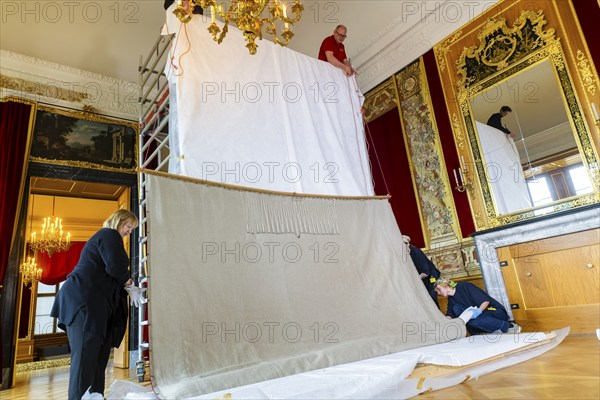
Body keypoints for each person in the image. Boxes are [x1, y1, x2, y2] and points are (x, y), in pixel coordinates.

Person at [51, 209, 138, 400]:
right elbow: (114, 266)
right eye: (128, 226)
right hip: (83, 303)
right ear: (118, 221)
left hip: (95, 307)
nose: (129, 232)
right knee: (84, 359)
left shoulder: (110, 239)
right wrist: (130, 284)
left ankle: (96, 395)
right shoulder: (109, 234)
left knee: (97, 358)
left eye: (132, 229)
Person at [434, 278, 521, 335]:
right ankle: (484, 331)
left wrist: (478, 311)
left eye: (439, 289)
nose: (438, 293)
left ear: (445, 286)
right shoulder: (451, 300)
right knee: (456, 309)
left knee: (471, 320)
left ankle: (509, 327)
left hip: (493, 312)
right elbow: (449, 316)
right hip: (479, 320)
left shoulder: (464, 286)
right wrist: (442, 322)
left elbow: (485, 301)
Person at [403, 235, 440, 308]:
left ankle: (438, 314)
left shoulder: (416, 252)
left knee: (431, 293)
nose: (404, 247)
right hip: (420, 278)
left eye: (405, 244)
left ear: (408, 244)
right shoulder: (403, 254)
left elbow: (426, 272)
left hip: (430, 276)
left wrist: (414, 279)